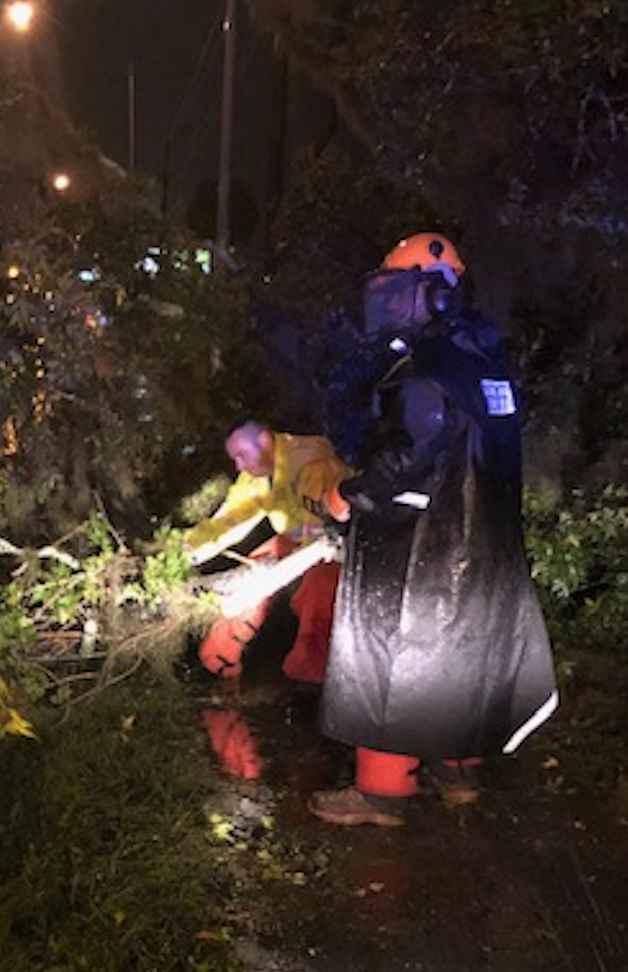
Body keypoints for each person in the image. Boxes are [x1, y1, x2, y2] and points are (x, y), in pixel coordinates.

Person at [310, 232, 558, 826]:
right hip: (477, 546)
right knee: (463, 658)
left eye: (396, 287)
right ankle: (457, 772)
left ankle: (381, 791)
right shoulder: (483, 360)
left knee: (390, 658)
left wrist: (348, 495)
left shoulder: (426, 369)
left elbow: (407, 454)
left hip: (418, 545)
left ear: (431, 294)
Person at [184, 419, 350, 683]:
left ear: (263, 441)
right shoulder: (256, 474)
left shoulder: (311, 462)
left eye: (241, 455)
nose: (239, 466)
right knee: (251, 570)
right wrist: (185, 553)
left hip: (337, 549)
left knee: (317, 592)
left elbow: (321, 535)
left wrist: (273, 578)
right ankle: (218, 667)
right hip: (298, 542)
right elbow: (230, 520)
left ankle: (306, 683)